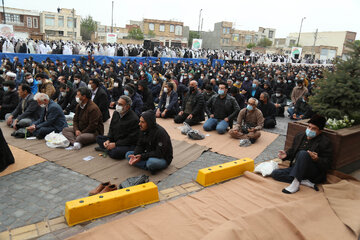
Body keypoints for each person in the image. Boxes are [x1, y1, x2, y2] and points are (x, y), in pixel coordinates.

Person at [271, 115, 332, 194]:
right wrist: (286, 155)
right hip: (297, 168)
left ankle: (295, 184)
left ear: (320, 131)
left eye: (314, 129)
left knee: (303, 153)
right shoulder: (300, 136)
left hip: (312, 171)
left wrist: (317, 159)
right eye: (309, 127)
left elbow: (328, 163)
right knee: (275, 174)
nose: (310, 130)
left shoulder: (325, 142)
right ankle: (303, 181)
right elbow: (293, 150)